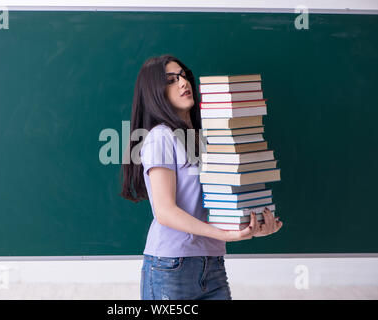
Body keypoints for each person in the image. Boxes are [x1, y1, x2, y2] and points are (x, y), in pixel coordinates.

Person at [120, 54, 283, 300]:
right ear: (155, 92)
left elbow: (217, 204)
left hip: (213, 265)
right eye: (171, 80)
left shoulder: (208, 138)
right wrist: (226, 235)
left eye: (184, 76)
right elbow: (165, 212)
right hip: (170, 267)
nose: (183, 83)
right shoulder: (160, 137)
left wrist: (251, 227)